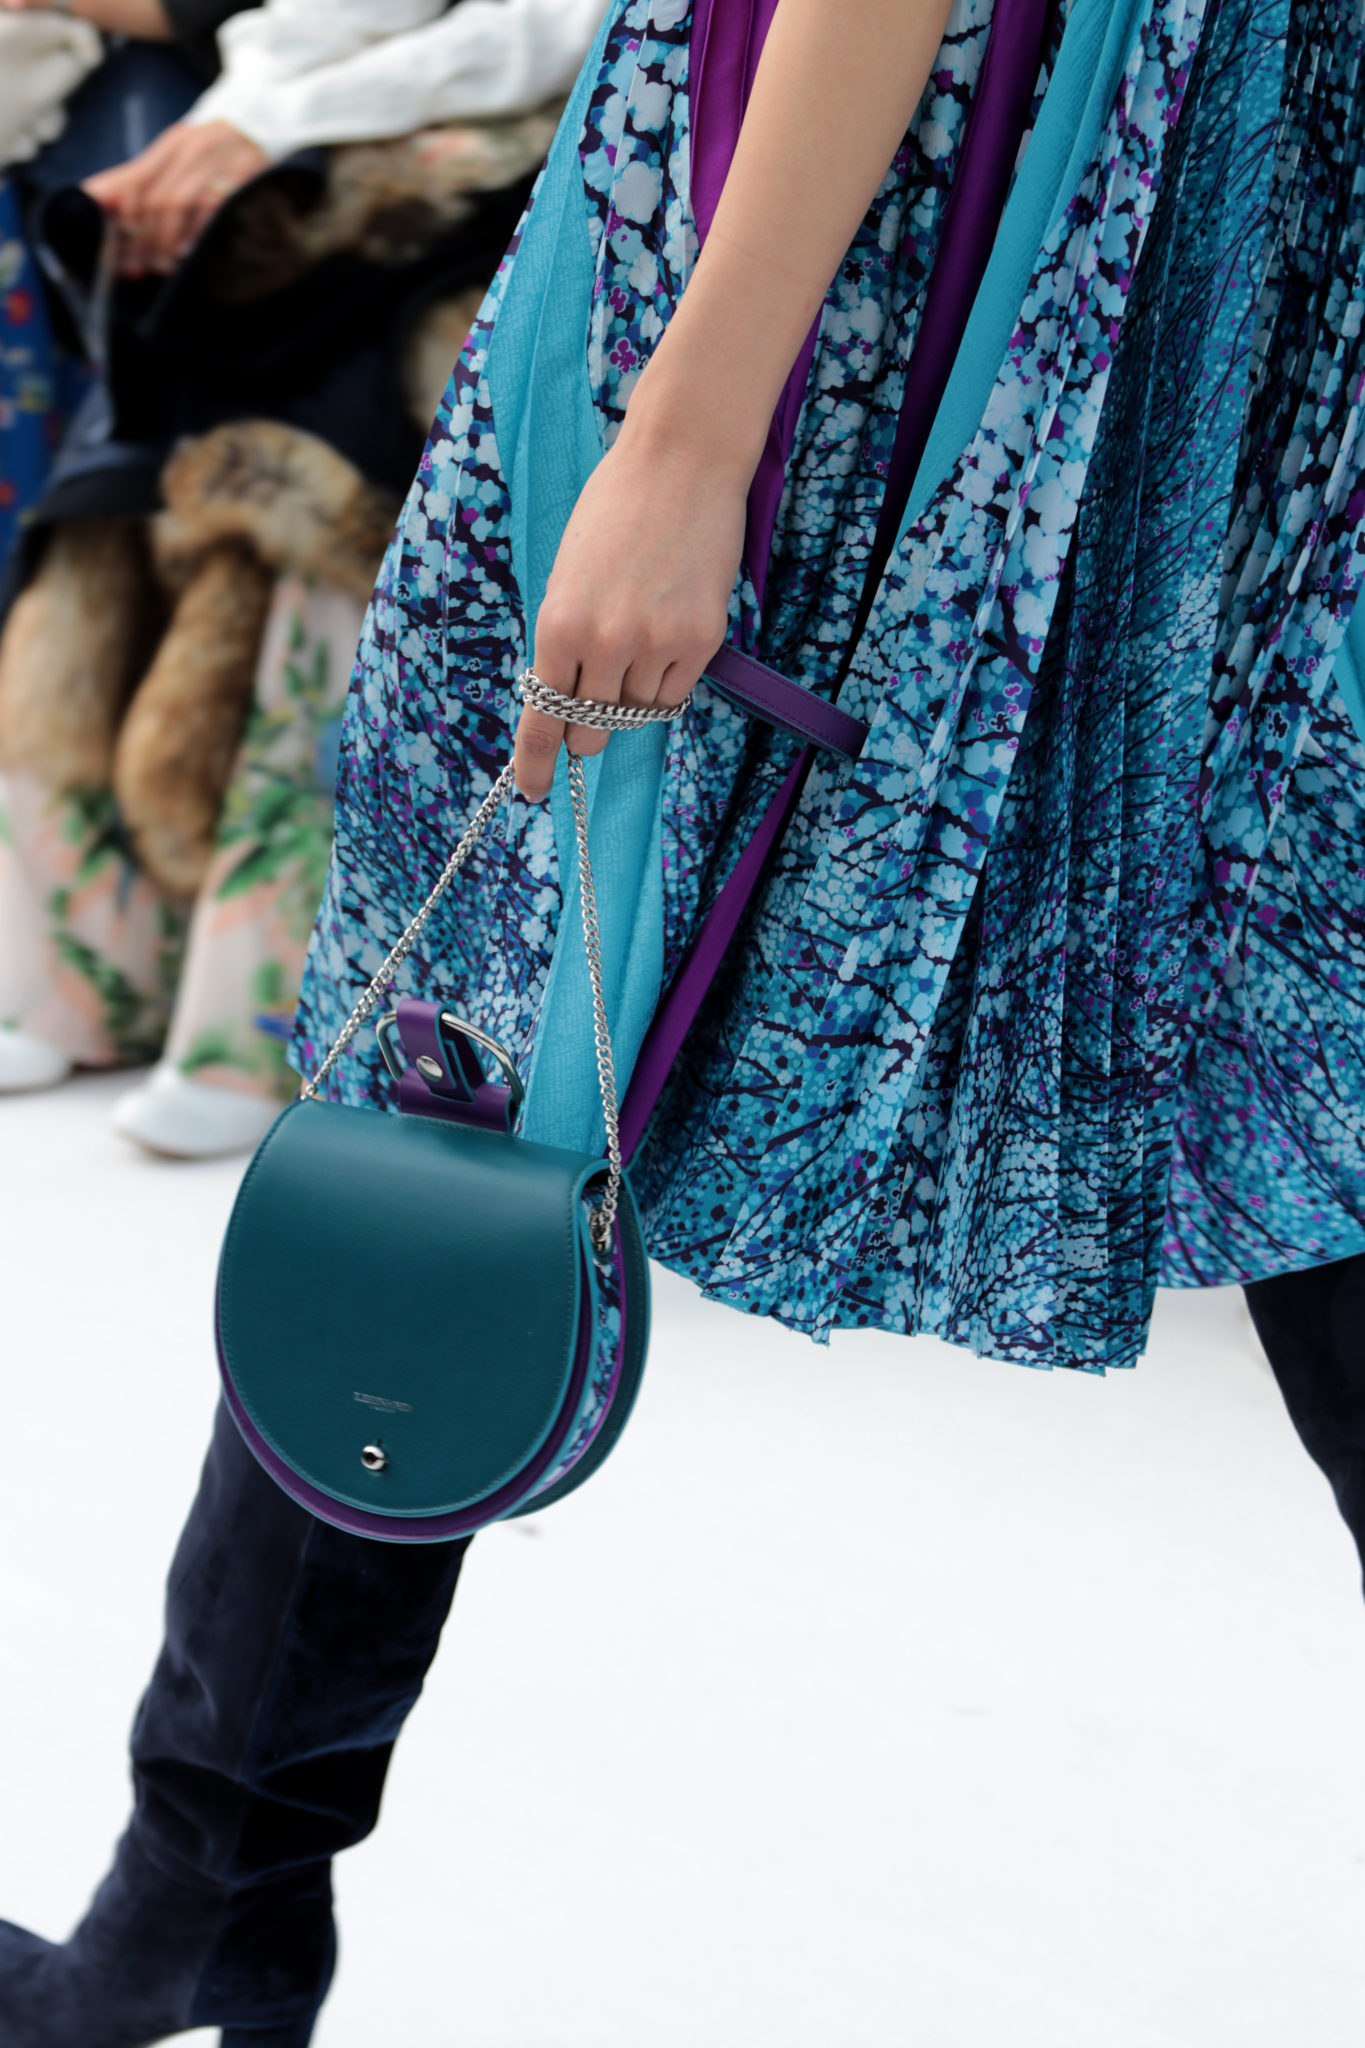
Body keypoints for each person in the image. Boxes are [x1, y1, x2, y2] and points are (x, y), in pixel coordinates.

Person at [4, 0, 1365, 2038]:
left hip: (881, 220)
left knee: (464, 1034)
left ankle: (204, 1897)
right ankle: (199, 1894)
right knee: (1301, 1042)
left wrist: (686, 434)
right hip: (1223, 225)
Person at [0, 0, 602, 1156]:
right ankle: (79, 960)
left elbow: (564, 26)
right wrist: (233, 124)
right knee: (113, 482)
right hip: (313, 159)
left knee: (334, 481)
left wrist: (273, 120)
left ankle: (262, 1014)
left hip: (507, 174)